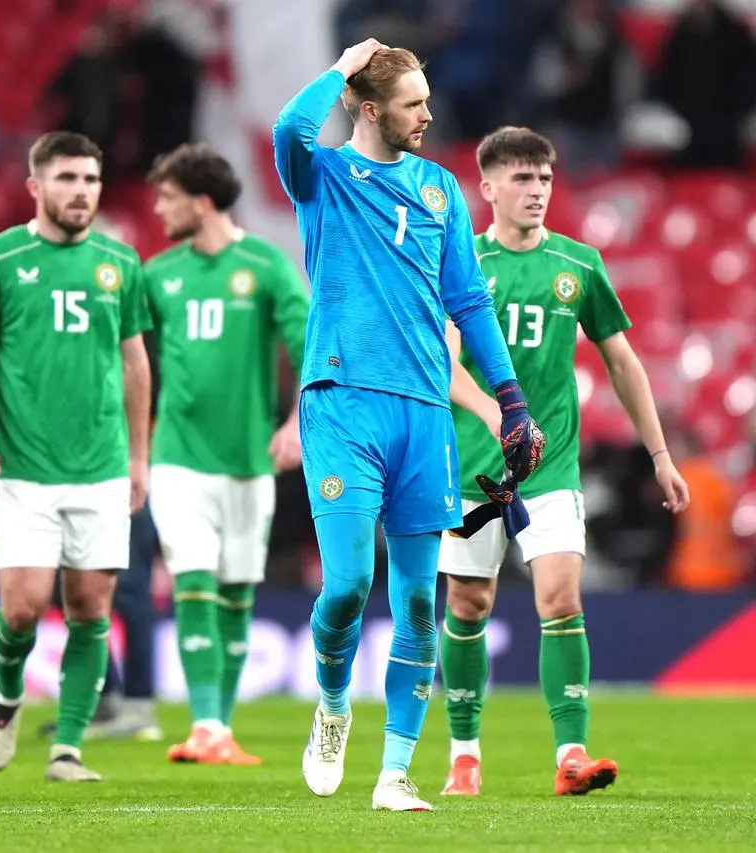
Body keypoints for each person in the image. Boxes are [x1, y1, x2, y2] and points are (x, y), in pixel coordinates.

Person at [272, 41, 544, 812]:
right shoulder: (322, 177)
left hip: (425, 413)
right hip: (343, 403)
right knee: (350, 584)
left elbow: (469, 301)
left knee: (420, 601)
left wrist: (510, 395)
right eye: (413, 102)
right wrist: (337, 65)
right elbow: (286, 132)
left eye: (427, 100)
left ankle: (394, 773)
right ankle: (332, 704)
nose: (429, 114)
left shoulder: (440, 189)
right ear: (367, 109)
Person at [436, 126, 690, 797]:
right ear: (487, 188)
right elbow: (443, 361)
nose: (537, 190)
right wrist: (494, 412)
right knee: (468, 604)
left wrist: (660, 454)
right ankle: (464, 752)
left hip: (549, 465)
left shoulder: (578, 265)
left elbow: (624, 361)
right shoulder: (462, 266)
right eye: (521, 178)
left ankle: (571, 752)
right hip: (468, 463)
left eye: (544, 178)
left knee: (561, 597)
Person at [0, 131, 152, 782]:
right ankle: (8, 692)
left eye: (92, 180)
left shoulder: (120, 262)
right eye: (67, 178)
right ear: (36, 187)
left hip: (100, 464)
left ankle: (67, 747)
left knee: (92, 608)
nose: (82, 191)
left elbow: (134, 362)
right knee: (21, 607)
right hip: (22, 466)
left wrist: (139, 457)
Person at [141, 142, 308, 765]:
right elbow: (124, 356)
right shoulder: (157, 276)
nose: (158, 209)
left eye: (168, 197)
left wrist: (297, 421)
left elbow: (308, 343)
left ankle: (219, 728)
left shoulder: (265, 266)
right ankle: (206, 724)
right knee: (192, 583)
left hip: (248, 462)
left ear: (202, 202)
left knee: (237, 593)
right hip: (177, 458)